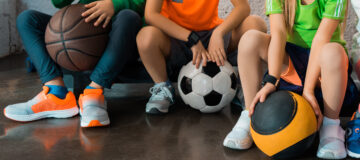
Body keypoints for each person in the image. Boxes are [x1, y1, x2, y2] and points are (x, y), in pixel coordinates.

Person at [223, 0, 359, 159]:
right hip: (292, 61)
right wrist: (271, 80)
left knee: (332, 52)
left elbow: (321, 38)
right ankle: (249, 115)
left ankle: (331, 126)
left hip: (324, 68)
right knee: (250, 39)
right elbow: (278, 33)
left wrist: (308, 89)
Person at [4, 0, 145, 128]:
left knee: (129, 16)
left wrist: (114, 5)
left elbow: (144, 3)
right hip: (84, 32)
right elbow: (58, 2)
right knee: (27, 19)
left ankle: (94, 94)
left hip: (120, 37)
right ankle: (56, 93)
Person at [136, 0, 267, 114]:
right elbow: (151, 15)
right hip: (175, 36)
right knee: (145, 37)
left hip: (210, 35)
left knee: (255, 24)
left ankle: (242, 85)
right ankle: (162, 87)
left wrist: (218, 33)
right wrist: (191, 39)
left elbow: (243, 7)